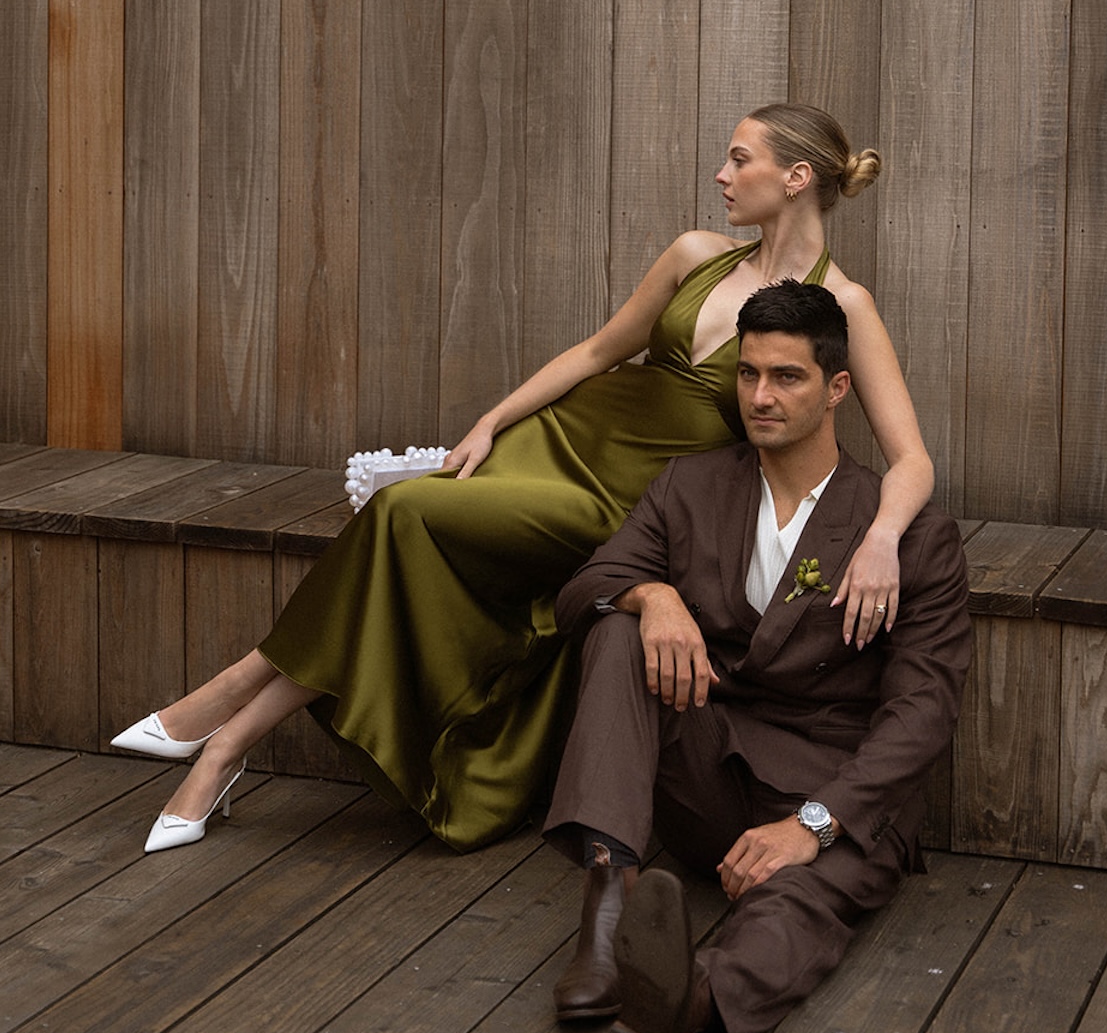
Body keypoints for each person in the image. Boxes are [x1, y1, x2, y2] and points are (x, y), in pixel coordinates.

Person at [112, 103, 934, 855]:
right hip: (562, 443)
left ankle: (221, 714)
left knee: (404, 517)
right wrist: (491, 422)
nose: (721, 175)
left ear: (794, 178)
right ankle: (221, 743)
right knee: (404, 520)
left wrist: (883, 540)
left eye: (738, 158)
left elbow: (912, 459)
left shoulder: (843, 305)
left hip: (625, 502)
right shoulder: (695, 257)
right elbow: (595, 354)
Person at [543, 280, 969, 1033]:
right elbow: (586, 584)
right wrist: (651, 596)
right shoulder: (689, 487)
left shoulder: (908, 533)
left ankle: (687, 1003)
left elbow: (924, 711)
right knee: (614, 624)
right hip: (705, 770)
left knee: (800, 905)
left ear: (837, 388)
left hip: (831, 793)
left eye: (787, 377)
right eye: (748, 376)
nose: (761, 397)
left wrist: (813, 825)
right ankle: (607, 907)